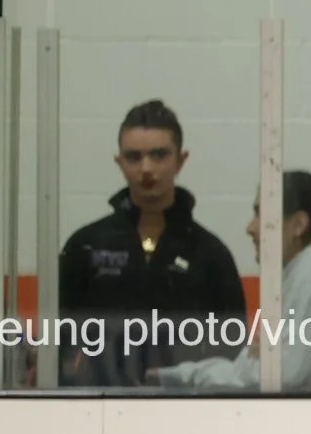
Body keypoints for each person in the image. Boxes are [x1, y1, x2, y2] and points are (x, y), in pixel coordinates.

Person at [58, 100, 249, 387]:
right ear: (119, 162)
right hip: (98, 402)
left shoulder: (210, 254)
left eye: (159, 155)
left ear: (181, 160)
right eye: (134, 157)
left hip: (185, 403)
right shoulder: (86, 246)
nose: (146, 168)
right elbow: (58, 339)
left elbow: (231, 351)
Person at [153, 172, 311, 393]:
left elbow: (279, 376)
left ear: (298, 224)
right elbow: (266, 368)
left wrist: (184, 376)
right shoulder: (310, 271)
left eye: (260, 214)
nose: (250, 228)